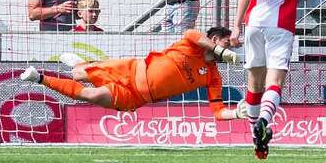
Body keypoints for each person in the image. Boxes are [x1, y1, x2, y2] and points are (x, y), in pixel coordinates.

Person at [230, 0, 312, 160]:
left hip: (255, 21)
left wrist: (235, 25)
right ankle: (265, 120)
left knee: (254, 85)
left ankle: (257, 139)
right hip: (282, 24)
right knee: (274, 83)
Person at [20, 28, 243, 120]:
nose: (231, 48)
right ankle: (82, 64)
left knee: (92, 96)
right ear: (215, 40)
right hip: (131, 69)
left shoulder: (213, 75)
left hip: (137, 96)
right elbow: (191, 33)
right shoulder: (193, 44)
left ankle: (38, 78)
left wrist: (236, 114)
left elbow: (217, 111)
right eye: (227, 43)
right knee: (78, 75)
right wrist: (220, 51)